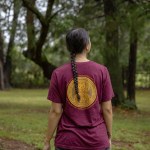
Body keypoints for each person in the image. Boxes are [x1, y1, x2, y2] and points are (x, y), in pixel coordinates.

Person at [43, 28, 114, 150]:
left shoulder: (58, 73)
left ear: (69, 48)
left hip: (67, 141)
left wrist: (47, 141)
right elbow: (107, 109)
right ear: (87, 46)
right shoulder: (102, 71)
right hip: (97, 141)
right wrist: (109, 136)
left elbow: (55, 111)